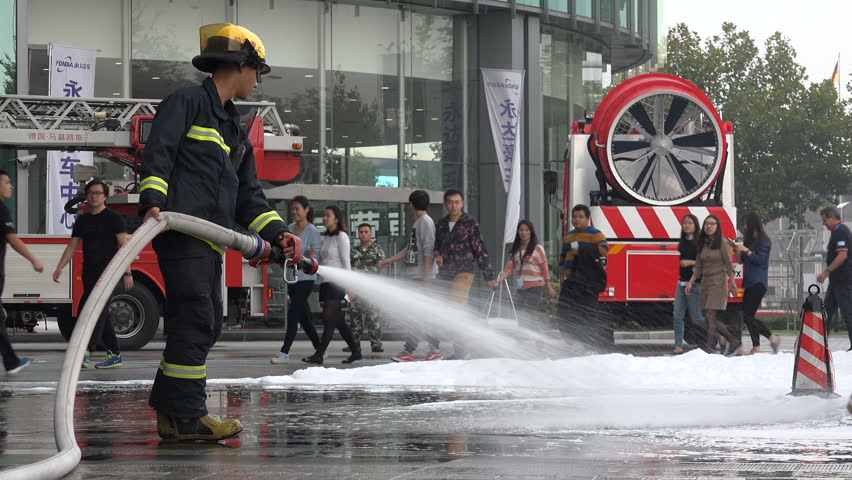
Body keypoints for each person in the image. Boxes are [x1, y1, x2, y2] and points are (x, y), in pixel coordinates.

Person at [139, 23, 295, 441]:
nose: (258, 80)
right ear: (240, 64)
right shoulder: (186, 103)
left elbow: (250, 196)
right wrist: (153, 198)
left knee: (203, 323)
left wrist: (277, 233)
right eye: (257, 70)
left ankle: (173, 413)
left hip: (211, 242)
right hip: (183, 232)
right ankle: (188, 416)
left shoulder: (234, 127)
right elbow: (160, 152)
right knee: (196, 317)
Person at [53, 178, 133, 369]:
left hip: (109, 272)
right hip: (89, 271)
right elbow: (72, 246)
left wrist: (127, 272)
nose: (93, 196)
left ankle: (86, 351)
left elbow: (124, 247)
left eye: (98, 193)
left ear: (105, 196)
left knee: (95, 311)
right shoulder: (83, 220)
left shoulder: (114, 218)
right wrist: (60, 267)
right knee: (94, 311)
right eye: (90, 193)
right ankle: (114, 354)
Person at [381, 190, 443, 362]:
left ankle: (420, 349)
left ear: (411, 204)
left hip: (422, 277)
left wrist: (427, 277)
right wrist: (391, 260)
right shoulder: (418, 223)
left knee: (419, 315)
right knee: (417, 315)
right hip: (416, 276)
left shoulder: (426, 222)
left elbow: (428, 249)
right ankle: (424, 349)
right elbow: (410, 249)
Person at [434, 189, 494, 359]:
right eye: (450, 202)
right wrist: (438, 255)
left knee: (457, 308)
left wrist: (488, 274)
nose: (453, 206)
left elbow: (479, 248)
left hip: (464, 271)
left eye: (457, 202)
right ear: (446, 204)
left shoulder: (470, 223)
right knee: (449, 311)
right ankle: (460, 348)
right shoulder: (441, 224)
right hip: (445, 272)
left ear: (462, 203)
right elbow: (437, 245)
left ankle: (462, 350)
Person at [302, 206, 361, 364]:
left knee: (328, 317)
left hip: (338, 282)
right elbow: (324, 261)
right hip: (326, 282)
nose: (325, 218)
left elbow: (346, 263)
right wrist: (309, 258)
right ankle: (356, 351)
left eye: (328, 216)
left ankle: (319, 354)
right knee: (338, 320)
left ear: (337, 219)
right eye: (324, 215)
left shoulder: (342, 236)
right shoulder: (327, 237)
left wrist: (350, 286)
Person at [271, 195, 322, 363]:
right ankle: (320, 349)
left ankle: (284, 352)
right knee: (304, 317)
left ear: (306, 210)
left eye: (297, 209)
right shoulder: (289, 229)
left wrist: (305, 255)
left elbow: (315, 255)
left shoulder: (313, 231)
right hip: (292, 277)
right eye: (292, 209)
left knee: (293, 313)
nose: (294, 212)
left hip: (306, 278)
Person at [0, 171, 40, 375]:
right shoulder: (2, 210)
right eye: (7, 182)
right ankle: (11, 362)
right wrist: (34, 260)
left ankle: (11, 361)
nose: (11, 186)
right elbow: (13, 240)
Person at [686, 215, 742, 356]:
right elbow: (698, 266)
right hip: (706, 282)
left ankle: (710, 345)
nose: (709, 226)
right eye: (707, 224)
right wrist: (691, 283)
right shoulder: (703, 243)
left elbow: (729, 265)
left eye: (712, 224)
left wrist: (733, 284)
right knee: (708, 315)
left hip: (719, 281)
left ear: (717, 227)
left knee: (710, 315)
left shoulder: (722, 243)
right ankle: (730, 340)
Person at [558, 204, 610, 349]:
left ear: (588, 218)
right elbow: (562, 259)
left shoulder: (596, 234)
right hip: (571, 281)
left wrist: (581, 250)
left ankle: (588, 343)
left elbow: (604, 250)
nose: (577, 220)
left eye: (580, 217)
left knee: (587, 312)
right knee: (565, 311)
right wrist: (562, 279)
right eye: (574, 217)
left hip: (588, 281)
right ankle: (571, 340)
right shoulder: (568, 237)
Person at [728, 212, 781, 355]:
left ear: (753, 224)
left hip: (758, 282)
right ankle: (758, 345)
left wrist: (746, 250)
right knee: (748, 315)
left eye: (746, 223)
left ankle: (771, 338)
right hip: (749, 282)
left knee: (747, 316)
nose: (744, 227)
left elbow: (761, 261)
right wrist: (736, 248)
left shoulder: (764, 241)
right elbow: (741, 260)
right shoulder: (750, 241)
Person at [489, 220, 557, 325]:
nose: (523, 233)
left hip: (535, 288)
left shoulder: (538, 248)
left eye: (526, 230)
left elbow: (545, 269)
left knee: (529, 313)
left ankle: (533, 338)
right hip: (521, 289)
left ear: (531, 232)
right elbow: (508, 269)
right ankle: (526, 338)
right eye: (521, 230)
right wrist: (498, 282)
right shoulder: (516, 250)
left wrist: (549, 287)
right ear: (518, 232)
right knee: (519, 315)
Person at [817, 205, 852, 349]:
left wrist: (826, 271)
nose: (823, 223)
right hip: (836, 281)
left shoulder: (841, 231)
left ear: (832, 218)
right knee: (827, 312)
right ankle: (819, 343)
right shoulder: (838, 231)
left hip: (843, 280)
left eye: (824, 220)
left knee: (848, 312)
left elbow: (842, 255)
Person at [347, 223, 385, 353]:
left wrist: (364, 271)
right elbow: (347, 268)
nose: (363, 234)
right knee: (355, 318)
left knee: (373, 317)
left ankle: (376, 344)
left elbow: (380, 266)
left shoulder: (377, 249)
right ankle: (354, 344)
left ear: (371, 234)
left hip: (371, 288)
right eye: (361, 232)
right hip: (355, 288)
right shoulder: (353, 251)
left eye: (366, 232)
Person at [672, 214, 706, 354]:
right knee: (677, 315)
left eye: (689, 223)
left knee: (697, 317)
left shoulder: (700, 243)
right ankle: (678, 346)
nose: (686, 225)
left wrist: (689, 262)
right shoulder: (683, 242)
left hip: (696, 283)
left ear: (695, 225)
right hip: (682, 283)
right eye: (684, 223)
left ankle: (720, 335)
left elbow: (705, 263)